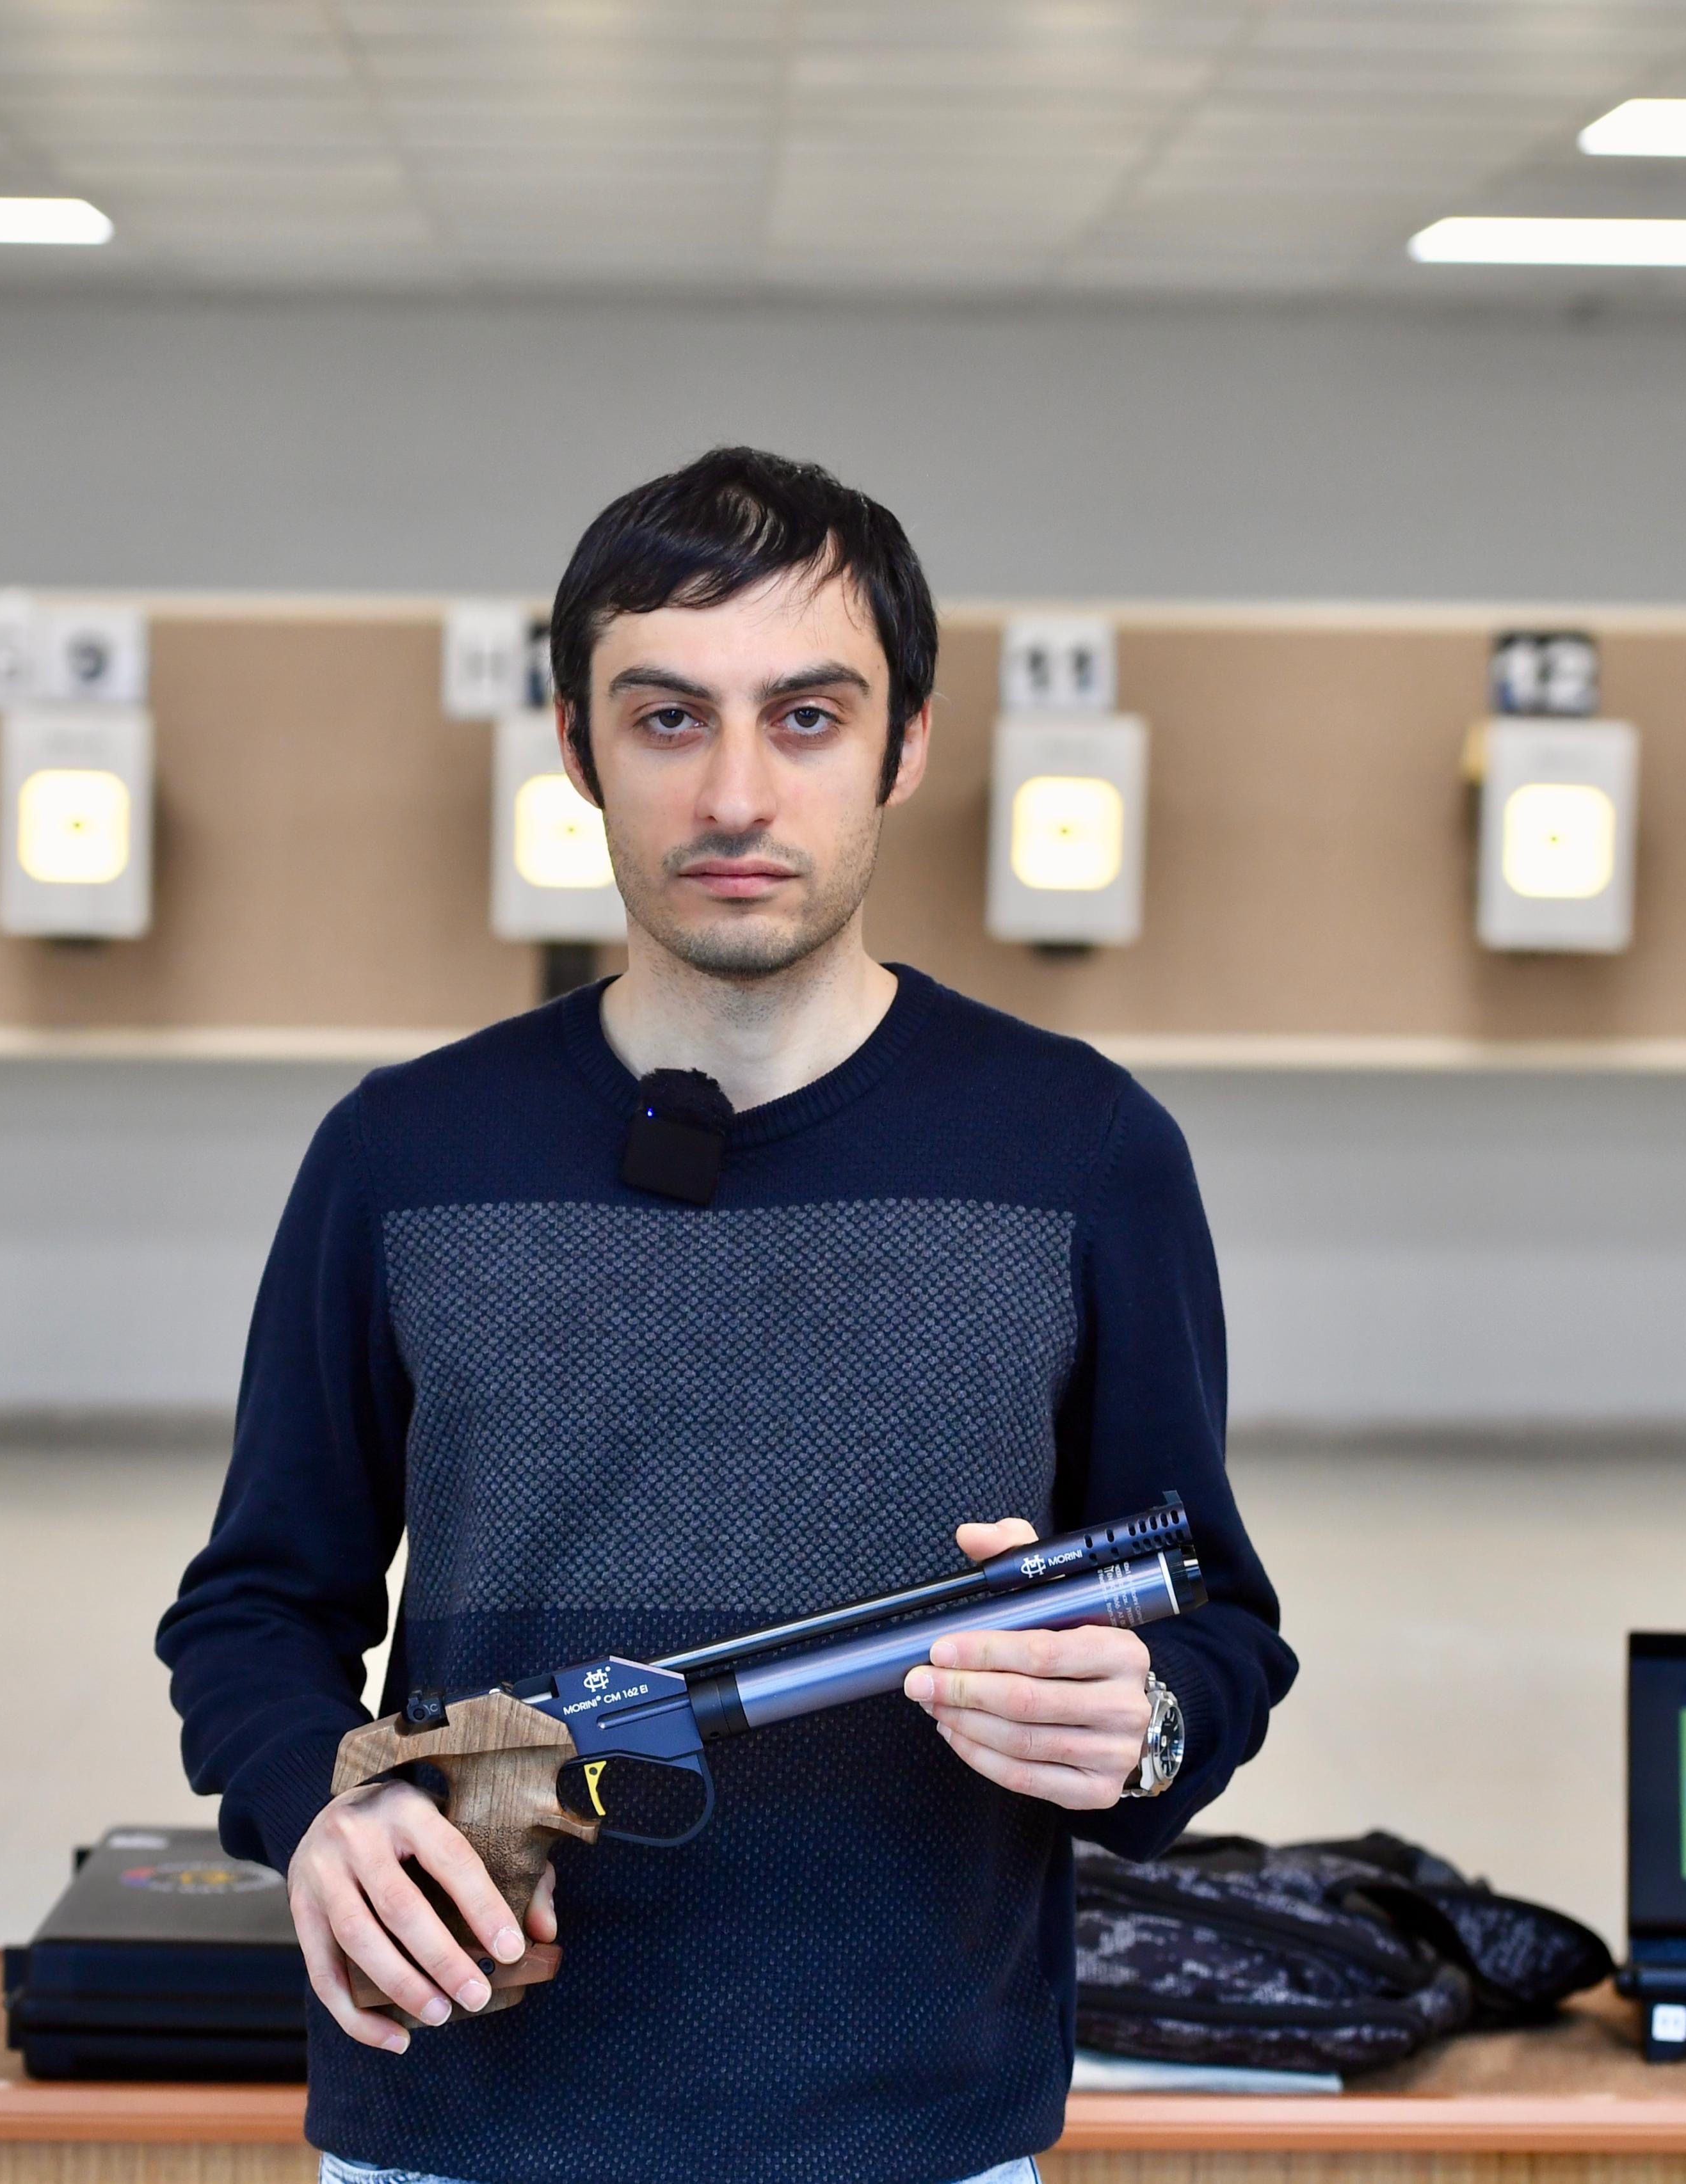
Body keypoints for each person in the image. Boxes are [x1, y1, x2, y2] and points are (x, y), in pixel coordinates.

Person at [158, 447, 1295, 2184]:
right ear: (575, 746)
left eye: (809, 718)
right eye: (669, 719)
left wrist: (1140, 1723)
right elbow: (255, 1609)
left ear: (907, 746)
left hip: (915, 2136)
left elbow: (1216, 1625)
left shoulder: (1086, 1151)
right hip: (460, 2132)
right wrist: (327, 1800)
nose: (737, 794)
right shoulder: (402, 1152)